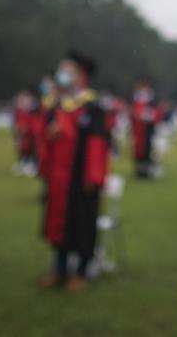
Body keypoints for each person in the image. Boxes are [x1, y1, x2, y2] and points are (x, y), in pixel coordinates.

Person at [40, 52, 111, 291]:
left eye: (67, 70)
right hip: (61, 177)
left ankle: (81, 270)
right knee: (60, 222)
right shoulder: (59, 105)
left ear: (81, 74)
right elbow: (48, 137)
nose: (62, 74)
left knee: (82, 224)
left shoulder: (93, 107)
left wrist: (93, 176)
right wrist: (50, 135)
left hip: (82, 178)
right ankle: (59, 269)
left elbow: (98, 144)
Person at [130, 78, 160, 178]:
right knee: (139, 148)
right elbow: (133, 111)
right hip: (139, 128)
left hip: (147, 127)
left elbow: (155, 112)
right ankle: (140, 170)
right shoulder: (136, 98)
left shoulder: (151, 98)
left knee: (147, 148)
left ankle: (146, 170)